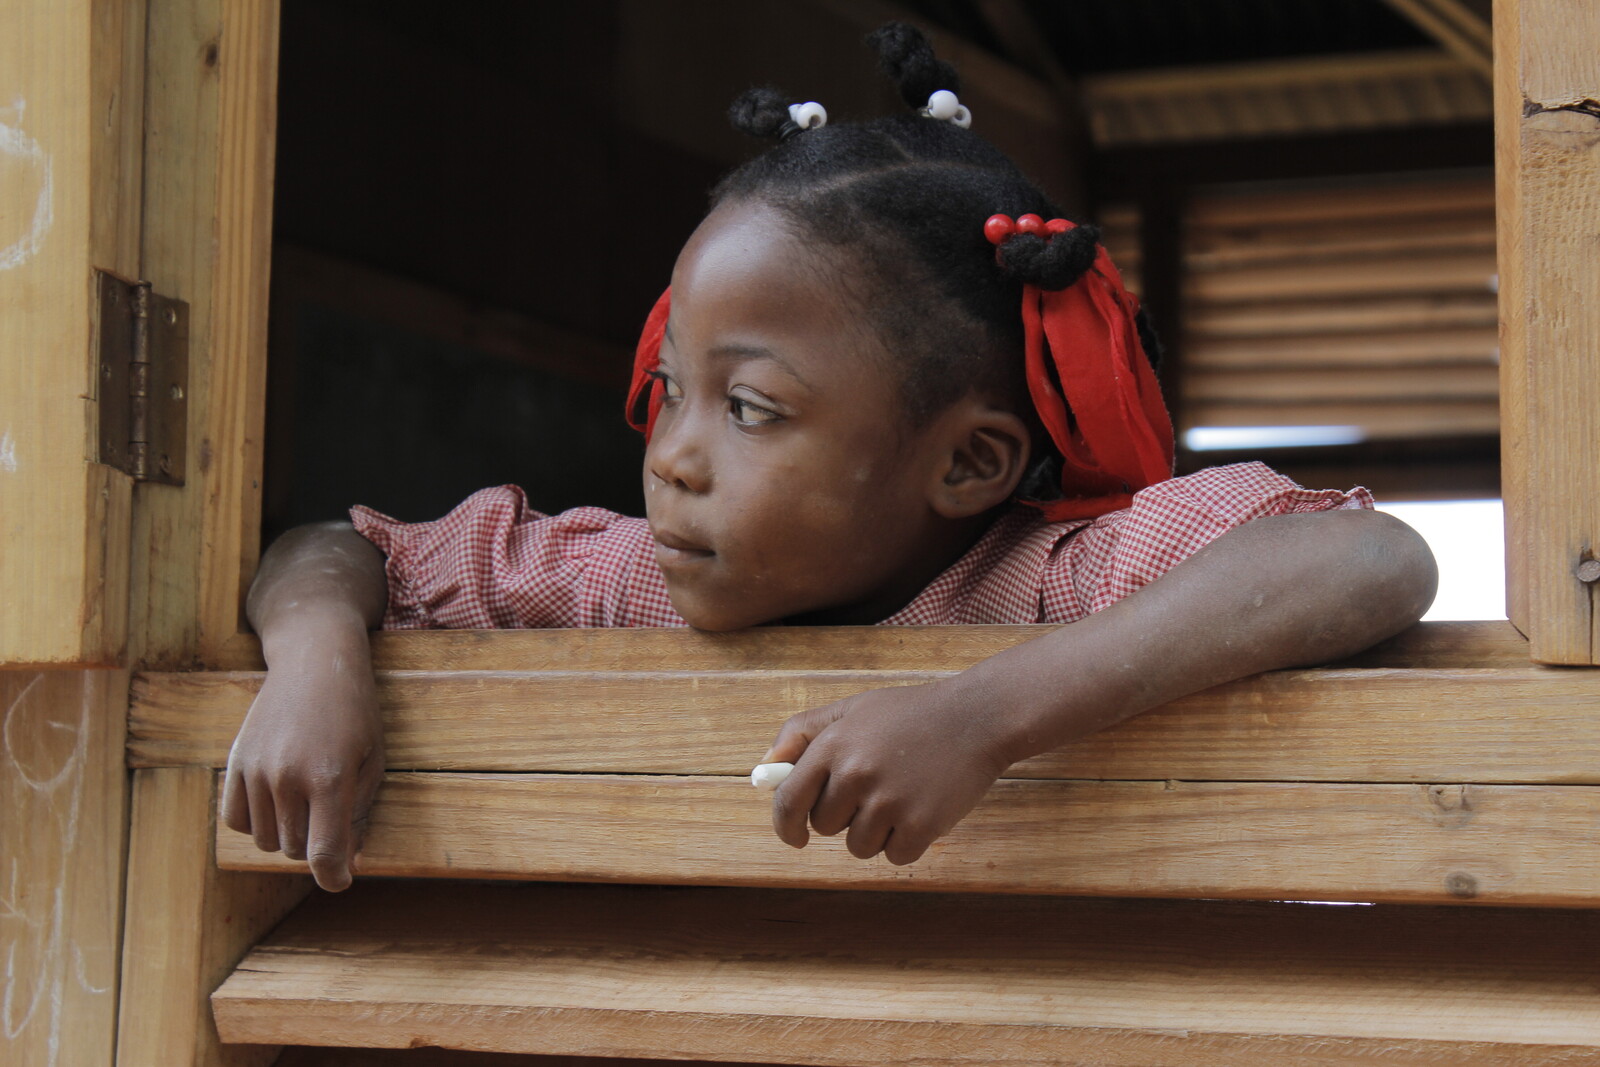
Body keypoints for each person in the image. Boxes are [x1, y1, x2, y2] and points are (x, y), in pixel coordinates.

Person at [223, 24, 1437, 893]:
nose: (672, 459)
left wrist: (978, 717)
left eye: (749, 407)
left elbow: (1367, 555)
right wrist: (317, 662)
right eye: (667, 390)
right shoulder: (622, 577)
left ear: (966, 464)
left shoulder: (1048, 580)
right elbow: (335, 549)